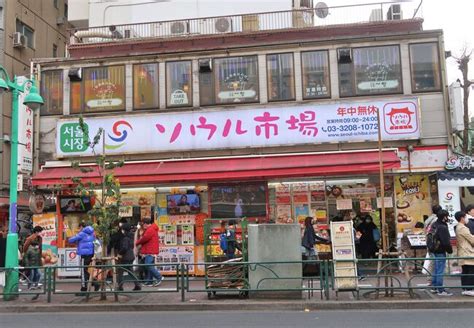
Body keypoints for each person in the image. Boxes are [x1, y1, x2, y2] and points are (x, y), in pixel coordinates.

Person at [68, 222, 97, 293]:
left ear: (81, 227)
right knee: (85, 270)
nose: (79, 229)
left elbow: (71, 240)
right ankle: (94, 282)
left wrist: (76, 237)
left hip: (84, 254)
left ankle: (84, 288)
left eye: (79, 227)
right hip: (91, 254)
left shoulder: (82, 234)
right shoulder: (92, 233)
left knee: (83, 270)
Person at [430, 210, 453, 296]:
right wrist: (450, 250)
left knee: (436, 269)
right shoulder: (442, 227)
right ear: (444, 217)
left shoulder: (434, 224)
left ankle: (435, 287)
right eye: (447, 216)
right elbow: (446, 242)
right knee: (440, 270)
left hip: (434, 249)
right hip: (440, 250)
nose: (448, 218)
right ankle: (440, 290)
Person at [135, 218, 162, 287]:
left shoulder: (150, 230)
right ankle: (149, 281)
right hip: (151, 250)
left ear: (145, 224)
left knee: (148, 265)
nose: (142, 226)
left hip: (150, 250)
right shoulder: (152, 228)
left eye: (142, 224)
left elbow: (144, 238)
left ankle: (159, 277)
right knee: (150, 265)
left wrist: (137, 242)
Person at [454, 211, 474, 296]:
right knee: (471, 270)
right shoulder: (463, 228)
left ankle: (465, 288)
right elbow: (472, 240)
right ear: (462, 218)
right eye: (465, 217)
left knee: (465, 270)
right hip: (467, 252)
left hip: (463, 252)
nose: (467, 219)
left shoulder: (458, 227)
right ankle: (469, 289)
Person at [117, 223, 141, 291]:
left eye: (122, 229)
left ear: (124, 230)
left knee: (120, 272)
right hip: (131, 255)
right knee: (131, 271)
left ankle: (120, 286)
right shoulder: (131, 236)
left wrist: (119, 253)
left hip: (125, 257)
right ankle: (137, 285)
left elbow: (124, 248)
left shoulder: (125, 238)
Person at [423, 205, 442, 284]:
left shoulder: (428, 219)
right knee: (435, 262)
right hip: (435, 244)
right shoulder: (436, 220)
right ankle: (432, 280)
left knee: (431, 261)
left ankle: (430, 279)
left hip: (429, 242)